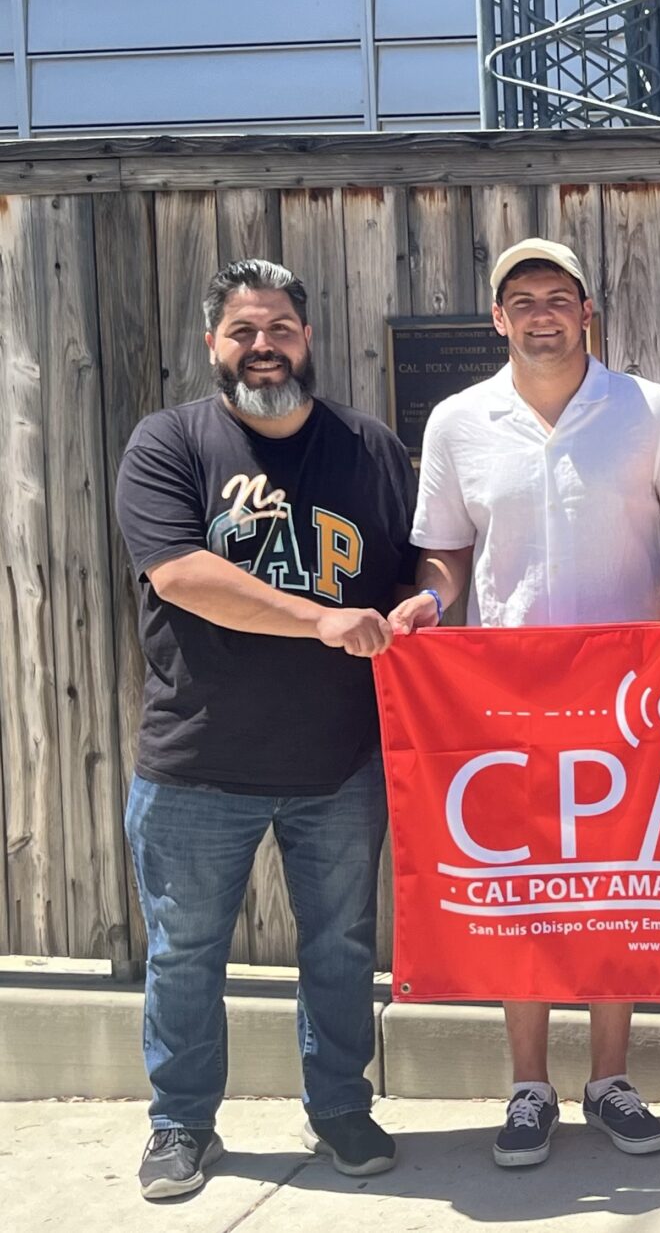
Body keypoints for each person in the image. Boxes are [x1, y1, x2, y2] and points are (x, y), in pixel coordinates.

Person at [389, 236, 660, 1168]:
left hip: (627, 696)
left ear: (588, 312)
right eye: (522, 300)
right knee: (525, 892)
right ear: (498, 320)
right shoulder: (458, 421)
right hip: (505, 698)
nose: (541, 313)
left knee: (616, 885)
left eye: (558, 296)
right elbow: (445, 550)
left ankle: (611, 1080)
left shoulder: (650, 412)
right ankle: (529, 1086)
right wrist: (430, 599)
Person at [115, 259, 416, 1200]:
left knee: (340, 947)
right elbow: (181, 575)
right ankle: (181, 1125)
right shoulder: (170, 443)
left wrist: (419, 606)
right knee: (185, 953)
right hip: (197, 760)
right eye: (242, 330)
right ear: (213, 345)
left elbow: (406, 570)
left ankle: (339, 1107)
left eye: (279, 326)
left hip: (339, 762)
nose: (262, 345)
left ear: (307, 337)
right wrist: (319, 617)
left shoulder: (368, 448)